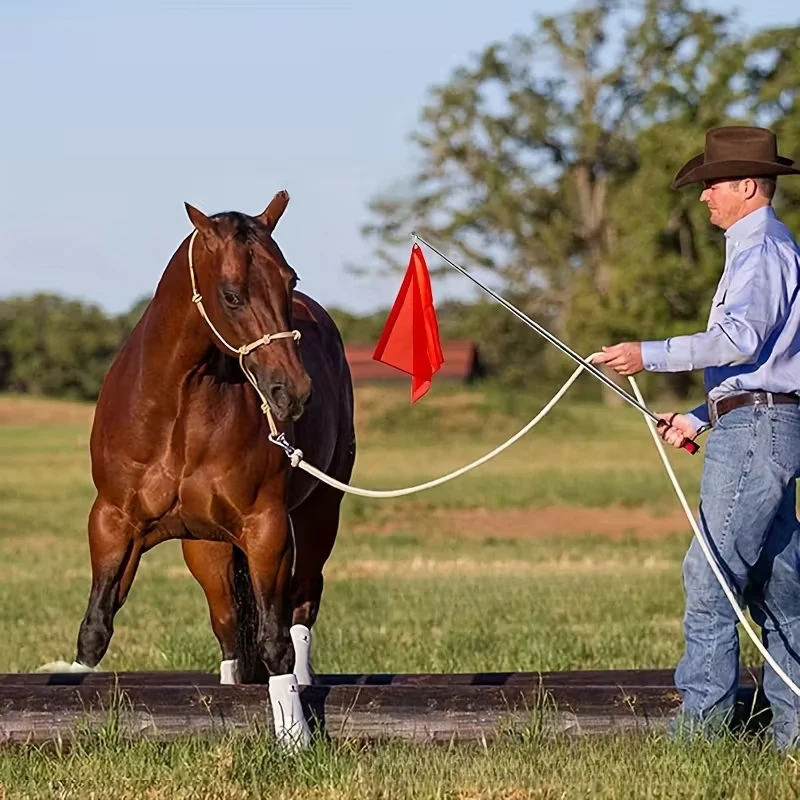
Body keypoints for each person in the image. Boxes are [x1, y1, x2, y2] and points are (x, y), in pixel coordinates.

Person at [595, 126, 800, 750]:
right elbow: (770, 364)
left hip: (758, 433)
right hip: (768, 425)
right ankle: (792, 736)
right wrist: (701, 417)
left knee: (710, 577)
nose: (705, 196)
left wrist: (646, 354)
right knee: (782, 585)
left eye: (712, 184)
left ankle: (702, 739)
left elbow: (739, 341)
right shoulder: (768, 248)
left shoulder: (760, 249)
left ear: (746, 185)